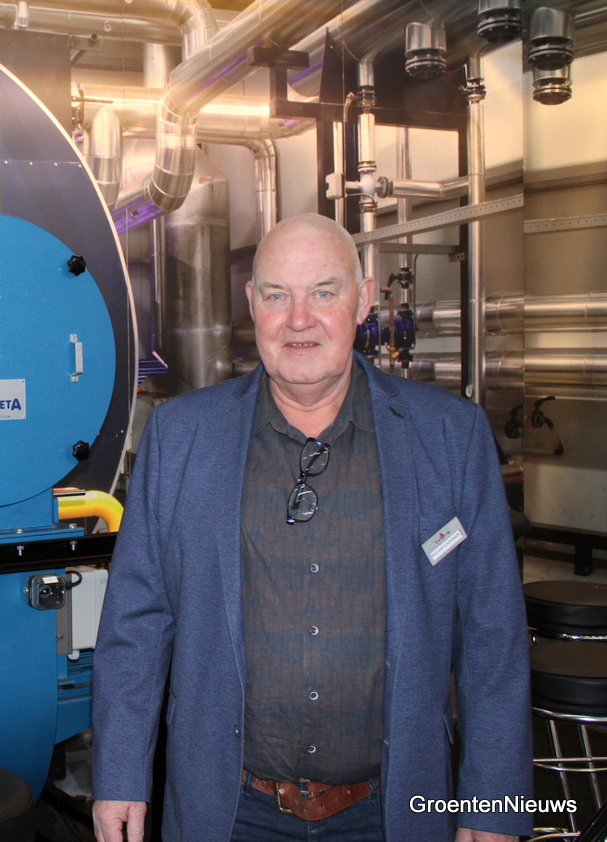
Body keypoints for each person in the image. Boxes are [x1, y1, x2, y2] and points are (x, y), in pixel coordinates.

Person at [91, 213, 531, 841]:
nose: (299, 319)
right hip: (229, 810)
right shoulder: (182, 436)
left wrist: (496, 807)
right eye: (277, 295)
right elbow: (136, 622)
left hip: (393, 811)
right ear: (252, 303)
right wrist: (119, 774)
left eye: (324, 292)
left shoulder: (448, 437)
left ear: (364, 298)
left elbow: (493, 636)